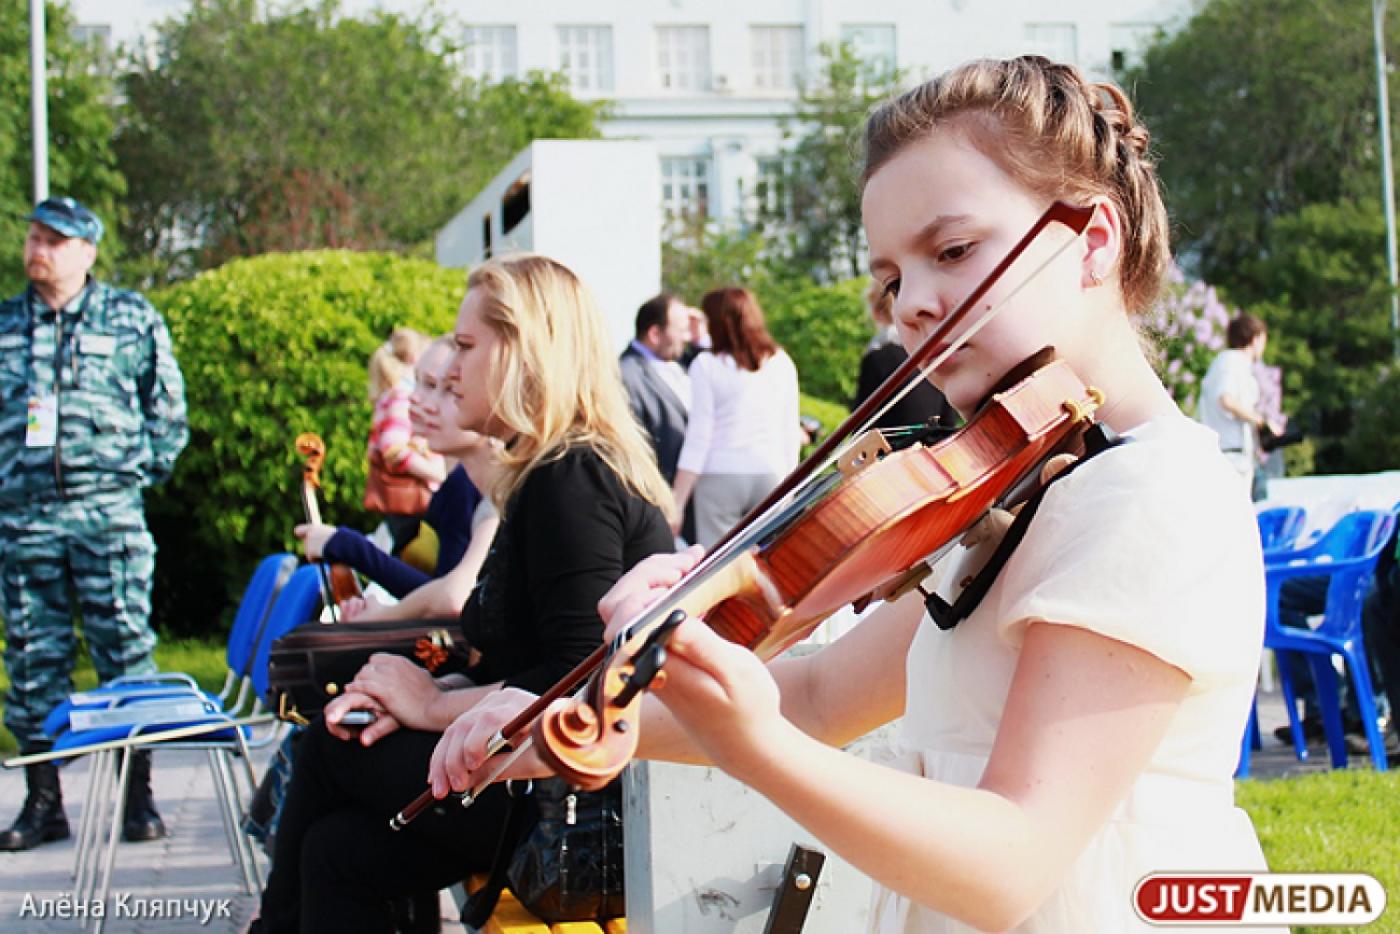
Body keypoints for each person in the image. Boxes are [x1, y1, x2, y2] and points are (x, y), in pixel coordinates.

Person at [430, 57, 1277, 933]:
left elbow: (1013, 863)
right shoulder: (1034, 486)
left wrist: (756, 749)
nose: (909, 305)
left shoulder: (1148, 494)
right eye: (892, 278)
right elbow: (825, 694)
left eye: (952, 251)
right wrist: (561, 724)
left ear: (1094, 240)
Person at [250, 254, 675, 933]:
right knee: (337, 853)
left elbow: (583, 676)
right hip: (529, 779)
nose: (454, 367)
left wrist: (426, 705)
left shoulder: (571, 479)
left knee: (330, 742)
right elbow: (523, 654)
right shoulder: (555, 469)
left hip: (558, 796)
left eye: (469, 347)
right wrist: (423, 697)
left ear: (522, 353)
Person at [0, 197, 188, 850]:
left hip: (109, 520)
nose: (38, 249)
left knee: (125, 656)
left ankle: (139, 799)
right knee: (31, 662)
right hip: (24, 522)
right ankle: (43, 802)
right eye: (33, 236)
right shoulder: (4, 325)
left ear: (87, 251)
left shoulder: (132, 318)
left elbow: (168, 412)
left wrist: (130, 478)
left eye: (55, 239)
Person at [295, 336, 498, 612]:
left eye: (447, 389)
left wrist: (349, 546)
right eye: (418, 383)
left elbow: (449, 601)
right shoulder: (458, 483)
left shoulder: (471, 488)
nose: (415, 399)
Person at [673, 287, 802, 548]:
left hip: (720, 476)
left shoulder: (706, 365)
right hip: (770, 472)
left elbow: (699, 436)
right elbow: (789, 431)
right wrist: (789, 484)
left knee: (720, 570)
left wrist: (677, 501)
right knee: (768, 566)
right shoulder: (781, 361)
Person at [366, 327, 444, 554]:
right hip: (410, 504)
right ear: (414, 359)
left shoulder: (388, 396)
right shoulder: (401, 396)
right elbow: (393, 449)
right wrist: (436, 473)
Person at [853, 277, 958, 433]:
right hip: (935, 450)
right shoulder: (933, 352)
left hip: (892, 455)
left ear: (875, 313)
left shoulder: (876, 358)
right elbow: (949, 420)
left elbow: (861, 428)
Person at [1197, 313, 1281, 498]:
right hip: (1230, 455)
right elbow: (1226, 399)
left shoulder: (1231, 363)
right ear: (1256, 338)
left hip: (1235, 455)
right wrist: (1262, 421)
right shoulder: (1231, 361)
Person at [618, 292, 695, 485]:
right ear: (654, 334)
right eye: (681, 330)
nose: (687, 337)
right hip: (657, 489)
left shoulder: (681, 365)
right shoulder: (625, 374)